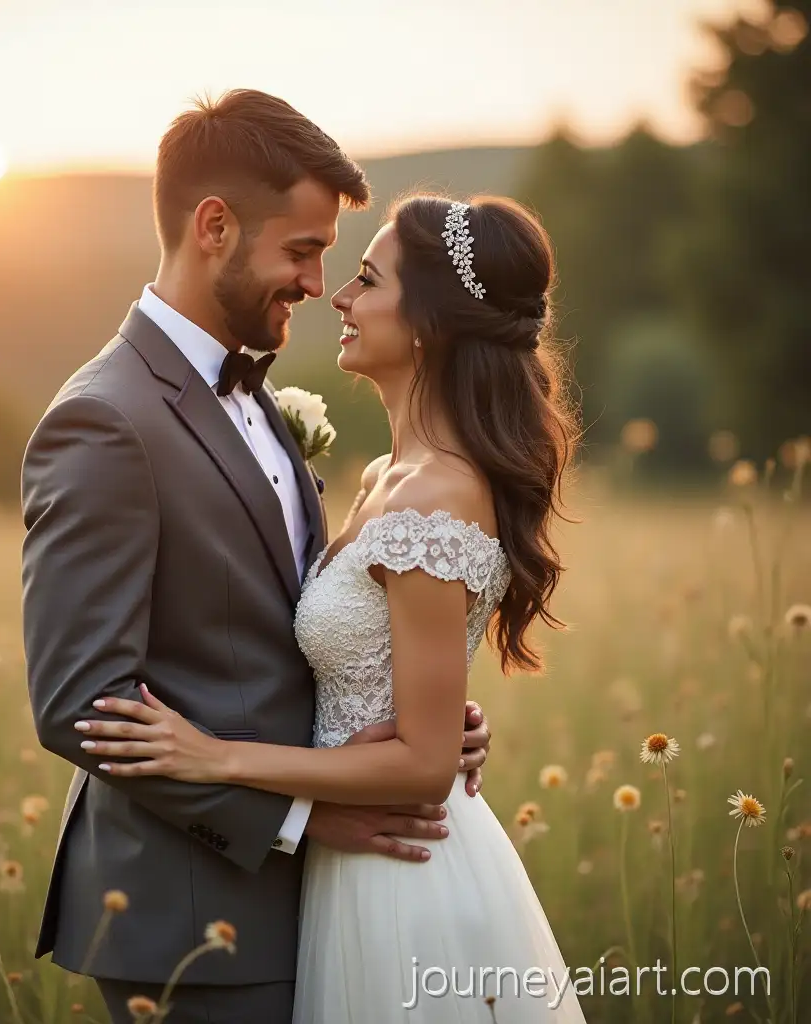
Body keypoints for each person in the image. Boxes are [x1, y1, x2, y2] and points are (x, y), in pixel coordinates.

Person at [20, 88, 492, 1024]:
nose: (319, 285)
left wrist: (418, 716)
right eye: (304, 250)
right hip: (195, 918)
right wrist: (298, 822)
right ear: (214, 226)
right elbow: (81, 704)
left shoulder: (266, 406)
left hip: (322, 901)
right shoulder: (104, 421)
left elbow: (282, 628)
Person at [74, 190, 587, 1023]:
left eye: (366, 280)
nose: (338, 297)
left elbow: (423, 767)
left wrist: (217, 757)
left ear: (429, 324)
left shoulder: (439, 496)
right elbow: (393, 681)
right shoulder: (388, 477)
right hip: (344, 866)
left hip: (403, 878)